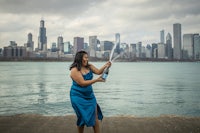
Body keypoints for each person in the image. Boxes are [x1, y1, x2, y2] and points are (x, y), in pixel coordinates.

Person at [69, 50, 111, 133]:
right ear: (80, 58)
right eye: (85, 57)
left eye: (88, 58)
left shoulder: (89, 66)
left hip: (89, 96)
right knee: (81, 117)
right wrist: (96, 80)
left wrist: (106, 66)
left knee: (95, 117)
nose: (87, 59)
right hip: (77, 96)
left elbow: (98, 72)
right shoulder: (74, 70)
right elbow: (82, 83)